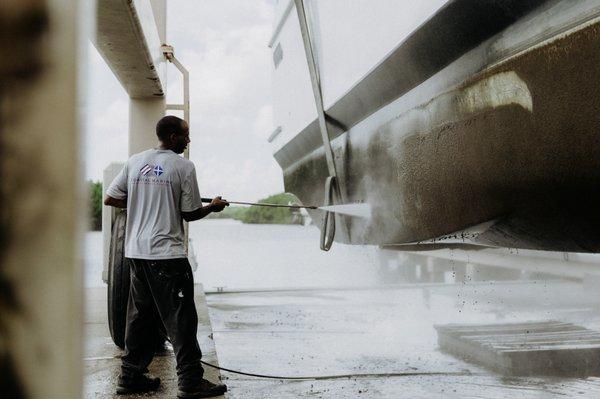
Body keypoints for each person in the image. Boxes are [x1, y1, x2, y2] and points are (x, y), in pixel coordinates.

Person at [104, 115, 229, 398]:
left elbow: (110, 198)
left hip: (136, 253)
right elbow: (190, 212)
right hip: (167, 256)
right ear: (173, 137)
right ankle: (190, 381)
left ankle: (131, 377)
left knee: (140, 317)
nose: (188, 140)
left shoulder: (136, 161)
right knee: (182, 318)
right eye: (186, 135)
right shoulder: (183, 166)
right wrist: (213, 206)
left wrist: (140, 199)